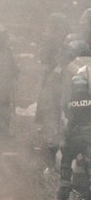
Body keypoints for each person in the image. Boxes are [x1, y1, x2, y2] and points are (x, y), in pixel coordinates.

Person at [34, 13, 70, 168]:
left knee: (53, 116)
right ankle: (52, 150)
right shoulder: (55, 41)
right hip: (54, 83)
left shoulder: (59, 42)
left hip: (58, 83)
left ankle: (53, 148)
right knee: (52, 116)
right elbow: (44, 59)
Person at [57, 73, 91, 200]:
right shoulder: (90, 97)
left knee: (66, 161)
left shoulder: (69, 100)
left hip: (73, 137)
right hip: (89, 136)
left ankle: (64, 191)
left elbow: (65, 119)